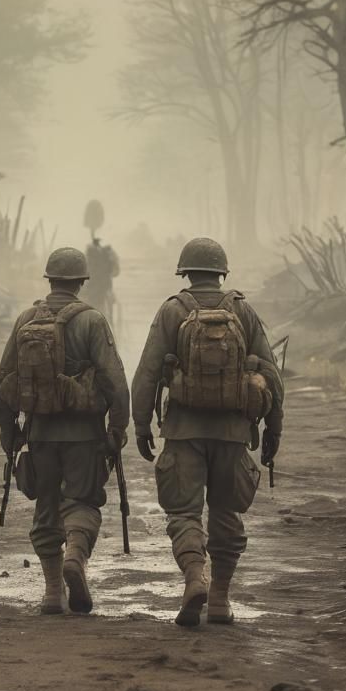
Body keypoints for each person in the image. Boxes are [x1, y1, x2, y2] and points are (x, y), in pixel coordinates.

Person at [131, 237, 284, 627]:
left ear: (185, 271)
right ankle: (218, 600)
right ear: (221, 272)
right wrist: (272, 430)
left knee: (183, 512)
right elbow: (271, 375)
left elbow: (148, 371)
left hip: (183, 430)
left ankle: (194, 577)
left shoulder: (172, 311)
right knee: (226, 514)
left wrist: (141, 422)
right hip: (234, 432)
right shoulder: (242, 311)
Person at [0, 246, 130, 615]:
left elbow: (3, 381)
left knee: (46, 508)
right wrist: (117, 429)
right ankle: (75, 555)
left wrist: (11, 435)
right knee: (82, 502)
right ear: (82, 281)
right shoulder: (92, 321)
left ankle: (53, 591)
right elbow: (115, 381)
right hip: (85, 435)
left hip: (39, 435)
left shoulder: (26, 318)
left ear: (50, 278)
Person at [85, 236, 120, 323]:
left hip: (100, 288)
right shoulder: (105, 254)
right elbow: (115, 272)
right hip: (98, 288)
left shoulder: (103, 254)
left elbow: (115, 271)